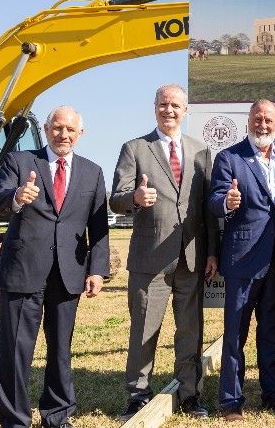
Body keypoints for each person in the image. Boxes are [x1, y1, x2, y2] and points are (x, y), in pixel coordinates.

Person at [0, 105, 110, 428]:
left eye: (70, 129)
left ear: (80, 134)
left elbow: (98, 228)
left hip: (68, 273)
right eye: (57, 128)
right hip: (23, 269)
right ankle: (15, 420)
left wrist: (97, 270)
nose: (63, 135)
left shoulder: (92, 171)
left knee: (60, 349)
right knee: (15, 350)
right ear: (45, 128)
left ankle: (57, 415)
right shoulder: (20, 161)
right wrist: (16, 196)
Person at [110, 84, 219, 421]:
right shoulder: (135, 148)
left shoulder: (201, 151)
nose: (169, 110)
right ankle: (138, 394)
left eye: (175, 105)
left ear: (185, 110)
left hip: (192, 257)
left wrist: (212, 252)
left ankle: (189, 395)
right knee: (144, 329)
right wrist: (135, 200)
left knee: (190, 330)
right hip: (150, 258)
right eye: (163, 104)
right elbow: (116, 197)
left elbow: (208, 209)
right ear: (154, 107)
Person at [208, 99, 275, 421]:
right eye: (258, 119)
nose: (263, 124)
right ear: (248, 121)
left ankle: (273, 394)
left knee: (272, 334)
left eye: (269, 120)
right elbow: (215, 200)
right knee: (235, 335)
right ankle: (231, 402)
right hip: (243, 260)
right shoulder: (229, 157)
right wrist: (227, 202)